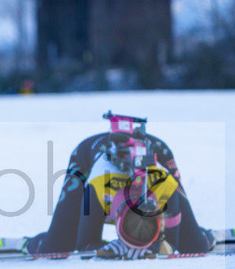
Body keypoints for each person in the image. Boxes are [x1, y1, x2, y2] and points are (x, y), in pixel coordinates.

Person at [24, 111, 215, 259]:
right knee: (55, 248)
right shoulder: (99, 188)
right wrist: (113, 249)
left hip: (158, 150)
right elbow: (84, 246)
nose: (133, 247)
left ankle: (208, 236)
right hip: (88, 153)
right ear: (117, 217)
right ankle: (30, 244)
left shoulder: (166, 186)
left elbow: (171, 246)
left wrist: (147, 248)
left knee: (195, 246)